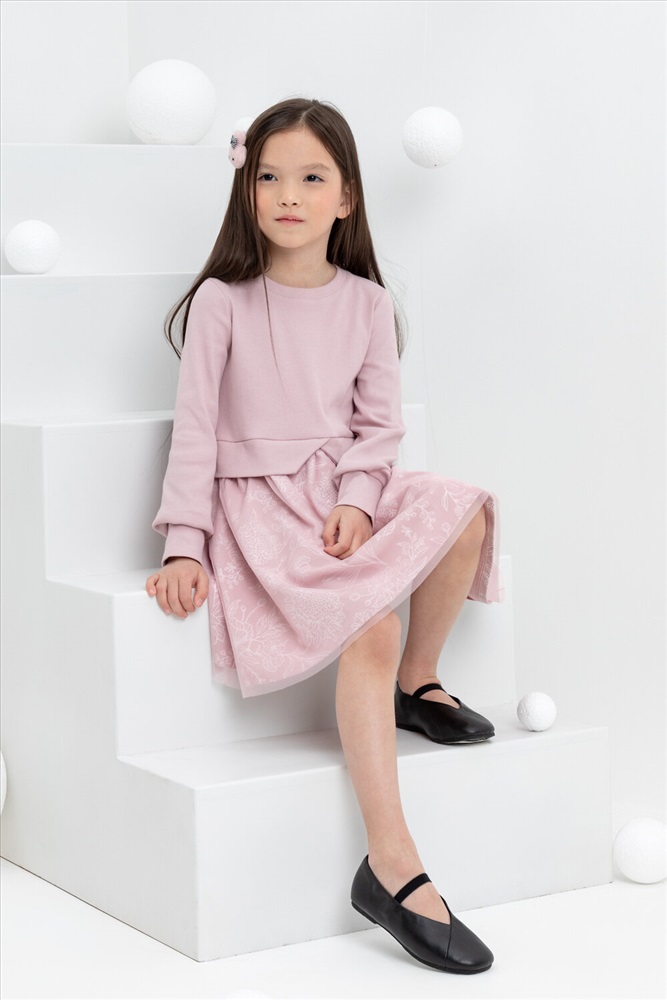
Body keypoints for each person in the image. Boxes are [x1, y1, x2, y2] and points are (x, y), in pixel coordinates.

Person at [145, 97, 501, 974]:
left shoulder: (368, 303)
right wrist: (185, 540)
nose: (287, 195)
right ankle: (393, 865)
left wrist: (358, 499)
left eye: (311, 178)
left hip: (342, 490)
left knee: (467, 507)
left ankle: (416, 683)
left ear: (345, 198)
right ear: (247, 189)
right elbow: (195, 429)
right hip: (260, 505)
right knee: (368, 624)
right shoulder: (222, 303)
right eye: (269, 177)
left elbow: (377, 428)